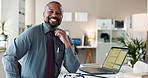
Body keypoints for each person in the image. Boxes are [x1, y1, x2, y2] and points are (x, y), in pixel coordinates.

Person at [2, 1, 80, 78]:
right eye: (50, 11)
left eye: (58, 13)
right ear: (44, 14)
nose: (54, 15)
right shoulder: (31, 33)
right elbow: (9, 57)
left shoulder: (64, 38)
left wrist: (66, 43)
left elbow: (73, 69)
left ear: (62, 16)